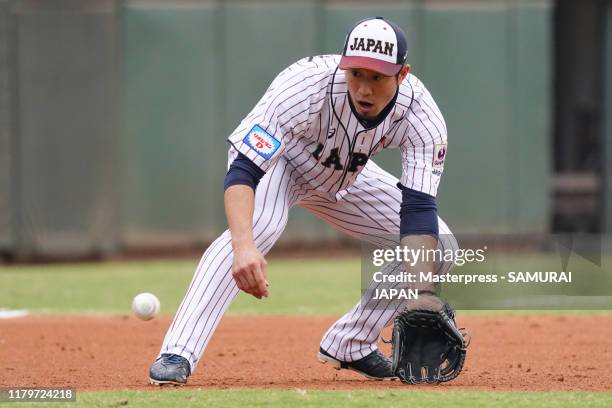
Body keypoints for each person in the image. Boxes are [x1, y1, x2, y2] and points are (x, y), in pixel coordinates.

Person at [149, 16, 457, 385]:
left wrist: (421, 293)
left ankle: (351, 343)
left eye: (378, 77)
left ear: (401, 75)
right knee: (259, 226)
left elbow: (419, 208)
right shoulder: (304, 87)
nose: (364, 88)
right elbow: (243, 171)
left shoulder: (421, 115)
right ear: (343, 65)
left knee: (439, 246)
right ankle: (177, 352)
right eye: (356, 73)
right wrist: (244, 246)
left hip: (347, 174)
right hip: (284, 165)